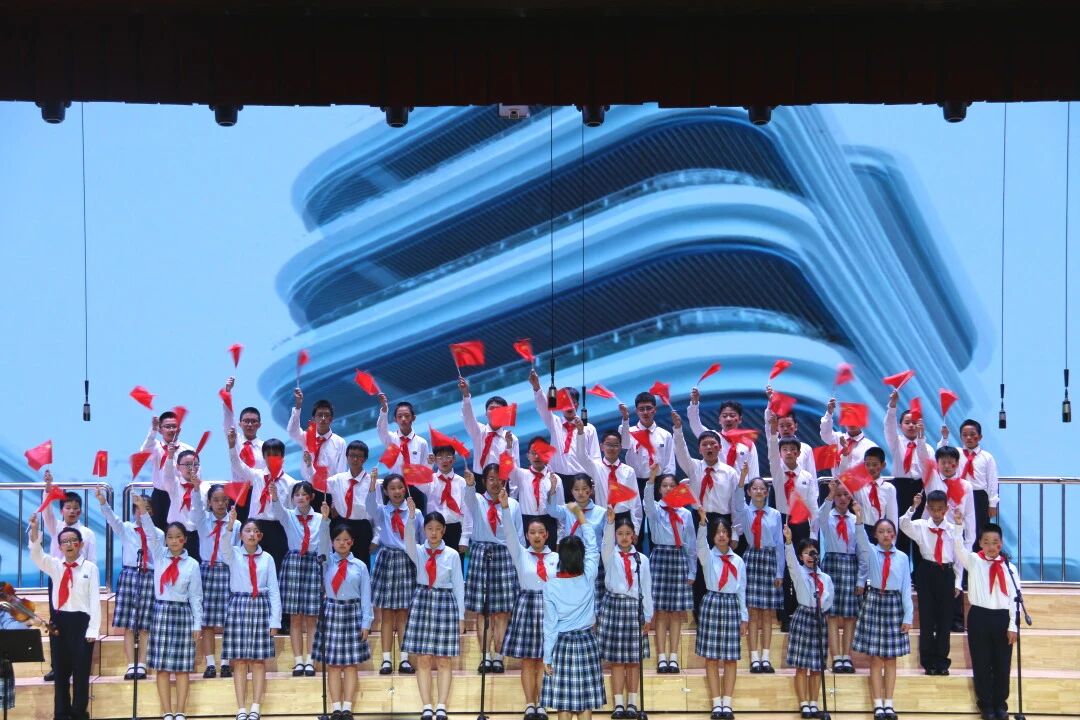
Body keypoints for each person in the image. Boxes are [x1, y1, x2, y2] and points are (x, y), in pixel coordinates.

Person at [29, 514, 101, 720]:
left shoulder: (90, 568)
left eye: (73, 541)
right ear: (59, 546)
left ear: (80, 545)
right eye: (64, 542)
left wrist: (93, 629)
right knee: (60, 672)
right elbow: (37, 555)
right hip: (59, 623)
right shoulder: (55, 566)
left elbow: (94, 600)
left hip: (81, 623)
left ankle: (79, 713)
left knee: (81, 672)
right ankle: (61, 713)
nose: (69, 545)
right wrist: (34, 530)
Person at [136, 502, 204, 720]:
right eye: (170, 537)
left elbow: (196, 596)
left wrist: (197, 623)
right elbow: (149, 531)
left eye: (178, 537)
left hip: (182, 614)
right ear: (165, 539)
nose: (174, 541)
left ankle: (181, 711)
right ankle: (167, 712)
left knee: (182, 668)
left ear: (185, 539)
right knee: (163, 668)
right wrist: (143, 510)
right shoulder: (159, 555)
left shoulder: (192, 564)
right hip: (162, 612)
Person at [401, 499, 466, 720]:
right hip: (422, 600)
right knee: (423, 658)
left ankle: (441, 706)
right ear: (425, 530)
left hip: (445, 603)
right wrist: (411, 516)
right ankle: (427, 705)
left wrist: (461, 616)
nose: (434, 533)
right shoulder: (418, 551)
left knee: (444, 659)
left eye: (438, 529)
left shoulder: (452, 554)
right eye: (430, 528)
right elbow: (408, 538)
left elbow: (458, 586)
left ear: (444, 530)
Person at [540, 502, 605, 720]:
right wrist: (580, 515)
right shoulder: (588, 576)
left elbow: (550, 626)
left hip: (562, 645)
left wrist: (547, 656)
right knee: (585, 702)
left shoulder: (550, 586)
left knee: (564, 704)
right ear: (581, 556)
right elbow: (593, 546)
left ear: (561, 557)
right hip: (587, 643)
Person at [500, 486, 560, 720]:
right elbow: (509, 534)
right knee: (528, 660)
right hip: (526, 607)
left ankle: (542, 703)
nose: (536, 536)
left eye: (541, 532)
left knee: (545, 658)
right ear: (526, 535)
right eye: (532, 532)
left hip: (549, 607)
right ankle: (529, 704)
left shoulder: (556, 558)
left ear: (547, 535)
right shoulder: (521, 554)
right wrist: (505, 508)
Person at [951, 514, 1019, 720]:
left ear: (1001, 543)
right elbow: (958, 549)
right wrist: (959, 526)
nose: (991, 546)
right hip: (979, 616)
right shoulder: (974, 561)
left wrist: (1013, 626)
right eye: (986, 542)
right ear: (980, 543)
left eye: (995, 542)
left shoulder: (1010, 568)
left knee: (1002, 663)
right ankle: (986, 704)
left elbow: (1015, 599)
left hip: (1002, 618)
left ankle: (1000, 704)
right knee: (981, 661)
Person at [219, 512, 282, 720]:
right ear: (241, 535)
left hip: (260, 606)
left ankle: (255, 706)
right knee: (239, 661)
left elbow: (274, 590)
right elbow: (224, 547)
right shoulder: (234, 554)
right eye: (247, 531)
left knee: (257, 661)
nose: (252, 534)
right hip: (239, 605)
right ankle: (241, 708)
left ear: (260, 536)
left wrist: (275, 620)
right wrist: (230, 525)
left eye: (255, 531)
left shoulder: (267, 558)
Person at [462, 464, 523, 673]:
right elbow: (468, 498)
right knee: (483, 611)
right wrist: (470, 485)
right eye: (491, 479)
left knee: (502, 612)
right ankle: (485, 656)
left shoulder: (513, 504)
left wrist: (520, 562)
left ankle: (498, 656)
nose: (495, 483)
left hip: (505, 555)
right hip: (481, 554)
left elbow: (519, 536)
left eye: (499, 479)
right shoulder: (477, 500)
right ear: (484, 481)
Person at [96, 487, 162, 680]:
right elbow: (112, 519)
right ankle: (131, 664)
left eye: (147, 508)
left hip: (149, 575)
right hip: (130, 575)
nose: (143, 512)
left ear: (152, 512)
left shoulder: (158, 533)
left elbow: (154, 545)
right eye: (139, 508)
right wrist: (103, 502)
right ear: (134, 512)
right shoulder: (126, 528)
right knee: (129, 625)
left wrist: (143, 511)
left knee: (145, 625)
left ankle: (142, 664)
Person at [313, 516, 374, 720]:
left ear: (352, 542)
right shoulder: (326, 561)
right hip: (332, 612)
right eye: (338, 539)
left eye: (346, 540)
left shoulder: (360, 566)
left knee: (350, 664)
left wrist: (366, 622)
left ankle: (347, 706)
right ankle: (336, 707)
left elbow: (366, 596)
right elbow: (322, 542)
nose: (342, 543)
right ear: (332, 542)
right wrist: (324, 520)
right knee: (333, 664)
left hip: (352, 613)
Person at [853, 514, 913, 720]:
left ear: (894, 534)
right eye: (881, 531)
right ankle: (878, 704)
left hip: (894, 605)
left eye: (889, 531)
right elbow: (861, 538)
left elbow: (906, 588)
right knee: (876, 658)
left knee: (890, 659)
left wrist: (908, 616)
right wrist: (859, 518)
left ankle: (889, 703)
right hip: (874, 602)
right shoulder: (871, 552)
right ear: (876, 535)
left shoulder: (902, 557)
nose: (886, 535)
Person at [40, 471, 97, 683]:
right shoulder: (56, 527)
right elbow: (46, 511)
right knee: (56, 623)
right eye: (68, 507)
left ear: (80, 510)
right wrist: (48, 487)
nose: (72, 511)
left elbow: (92, 560)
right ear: (62, 510)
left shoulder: (88, 534)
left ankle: (78, 667)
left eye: (76, 507)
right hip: (58, 580)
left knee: (79, 623)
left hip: (80, 581)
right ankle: (57, 667)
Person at [899, 490, 962, 676]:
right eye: (932, 509)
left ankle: (942, 661)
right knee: (926, 618)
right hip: (927, 571)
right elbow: (903, 524)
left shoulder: (953, 528)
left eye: (940, 509)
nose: (936, 513)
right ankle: (928, 663)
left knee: (945, 619)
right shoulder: (921, 525)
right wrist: (913, 507)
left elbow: (959, 556)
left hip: (946, 573)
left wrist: (958, 583)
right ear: (927, 508)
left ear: (946, 509)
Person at [366, 472, 423, 675]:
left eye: (400, 487)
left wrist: (412, 514)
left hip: (407, 561)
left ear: (405, 489)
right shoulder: (381, 511)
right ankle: (386, 659)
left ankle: (405, 659)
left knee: (404, 613)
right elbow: (369, 506)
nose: (397, 492)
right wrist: (372, 484)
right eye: (392, 488)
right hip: (387, 560)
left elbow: (421, 539)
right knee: (387, 613)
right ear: (386, 491)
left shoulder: (416, 512)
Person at [599, 508, 653, 720]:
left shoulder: (642, 559)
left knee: (633, 660)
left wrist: (648, 615)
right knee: (617, 660)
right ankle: (619, 704)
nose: (623, 537)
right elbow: (606, 542)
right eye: (620, 533)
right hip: (614, 607)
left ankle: (632, 702)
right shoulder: (610, 555)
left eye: (627, 533)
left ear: (634, 536)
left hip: (634, 609)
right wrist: (610, 523)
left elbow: (646, 587)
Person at [765, 420, 818, 632]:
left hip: (801, 522)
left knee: (800, 566)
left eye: (792, 449)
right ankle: (784, 612)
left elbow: (813, 504)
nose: (788, 452)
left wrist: (813, 531)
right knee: (783, 566)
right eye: (784, 449)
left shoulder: (806, 476)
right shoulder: (777, 472)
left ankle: (800, 608)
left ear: (798, 453)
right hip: (781, 519)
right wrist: (772, 433)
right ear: (780, 453)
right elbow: (771, 452)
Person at [641, 465, 695, 674]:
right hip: (660, 558)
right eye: (664, 485)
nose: (668, 488)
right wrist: (651, 479)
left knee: (676, 612)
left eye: (672, 485)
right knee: (661, 612)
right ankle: (661, 657)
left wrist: (692, 571)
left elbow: (691, 544)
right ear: (659, 489)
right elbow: (647, 501)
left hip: (678, 559)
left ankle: (674, 656)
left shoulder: (685, 513)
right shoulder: (655, 510)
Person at [271, 481, 328, 677]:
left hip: (313, 563)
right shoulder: (288, 515)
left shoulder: (320, 517)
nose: (301, 497)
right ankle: (298, 661)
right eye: (297, 494)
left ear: (311, 497)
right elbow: (277, 510)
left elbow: (325, 543)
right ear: (293, 498)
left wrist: (326, 519)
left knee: (312, 617)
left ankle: (310, 660)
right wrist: (274, 496)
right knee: (295, 617)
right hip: (294, 563)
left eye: (304, 494)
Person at [694, 510, 746, 720]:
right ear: (713, 536)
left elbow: (742, 590)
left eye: (725, 531)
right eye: (718, 532)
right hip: (713, 603)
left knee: (731, 658)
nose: (722, 535)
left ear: (730, 535)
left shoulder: (738, 561)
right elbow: (700, 545)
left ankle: (728, 703)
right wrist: (702, 524)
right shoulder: (708, 556)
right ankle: (716, 703)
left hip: (732, 605)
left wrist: (744, 617)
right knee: (712, 658)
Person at [226, 428, 297, 583]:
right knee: (251, 565)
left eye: (276, 454)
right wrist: (232, 446)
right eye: (268, 454)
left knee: (274, 569)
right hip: (255, 526)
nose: (272, 458)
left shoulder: (290, 482)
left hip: (278, 528)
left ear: (282, 456)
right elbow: (238, 465)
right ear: (263, 456)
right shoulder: (257, 475)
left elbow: (291, 512)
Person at [733, 476, 784, 674]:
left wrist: (779, 571)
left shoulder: (775, 514)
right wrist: (742, 478)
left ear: (767, 492)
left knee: (767, 613)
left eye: (762, 488)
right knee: (753, 611)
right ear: (749, 492)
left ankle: (766, 657)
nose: (759, 491)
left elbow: (779, 544)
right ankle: (754, 657)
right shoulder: (745, 511)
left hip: (770, 559)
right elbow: (737, 501)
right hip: (752, 558)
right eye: (754, 488)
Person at [783, 526, 833, 720]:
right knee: (802, 665)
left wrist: (822, 606)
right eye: (806, 553)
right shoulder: (799, 573)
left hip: (819, 618)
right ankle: (804, 703)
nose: (811, 556)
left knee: (817, 666)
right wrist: (788, 541)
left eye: (814, 552)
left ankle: (814, 702)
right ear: (801, 556)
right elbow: (790, 562)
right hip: (803, 616)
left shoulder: (825, 578)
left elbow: (829, 599)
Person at [190, 481, 239, 679]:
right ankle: (210, 664)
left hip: (227, 571)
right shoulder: (203, 521)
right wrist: (195, 489)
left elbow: (236, 551)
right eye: (216, 500)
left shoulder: (236, 524)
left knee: (228, 620)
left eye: (224, 500)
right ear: (209, 502)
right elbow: (196, 507)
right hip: (206, 572)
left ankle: (225, 663)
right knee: (207, 622)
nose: (220, 503)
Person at [817, 481, 865, 673]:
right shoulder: (827, 517)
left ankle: (847, 656)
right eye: (838, 495)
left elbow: (862, 550)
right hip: (832, 565)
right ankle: (836, 657)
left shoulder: (856, 519)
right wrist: (830, 494)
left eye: (846, 495)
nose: (843, 498)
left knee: (850, 615)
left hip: (851, 565)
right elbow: (819, 517)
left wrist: (861, 579)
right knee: (832, 615)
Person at [529, 369, 601, 496]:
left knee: (582, 509)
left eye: (572, 402)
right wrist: (536, 387)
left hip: (582, 480)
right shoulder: (554, 423)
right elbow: (543, 407)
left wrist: (596, 480)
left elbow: (595, 457)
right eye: (565, 402)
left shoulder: (589, 429)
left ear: (577, 405)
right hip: (558, 478)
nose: (569, 405)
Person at [883, 390, 934, 565]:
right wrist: (892, 406)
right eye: (907, 422)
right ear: (900, 425)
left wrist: (921, 438)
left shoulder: (927, 447)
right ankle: (901, 569)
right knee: (901, 530)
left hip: (920, 489)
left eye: (914, 422)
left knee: (919, 530)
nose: (911, 425)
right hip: (900, 487)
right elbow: (888, 426)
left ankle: (919, 573)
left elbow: (928, 467)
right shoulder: (896, 442)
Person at [547, 473, 609, 607]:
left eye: (584, 489)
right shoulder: (567, 509)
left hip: (593, 559)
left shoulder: (601, 512)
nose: (580, 493)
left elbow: (607, 539)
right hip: (571, 558)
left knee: (595, 598)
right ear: (571, 491)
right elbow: (551, 510)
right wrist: (552, 490)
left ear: (591, 490)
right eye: (576, 489)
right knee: (572, 597)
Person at [939, 419, 999, 541]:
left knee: (979, 528)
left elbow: (992, 481)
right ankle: (958, 551)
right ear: (960, 437)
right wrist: (944, 438)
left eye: (972, 434)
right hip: (959, 493)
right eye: (965, 435)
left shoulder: (987, 457)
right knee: (957, 525)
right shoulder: (956, 453)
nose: (969, 438)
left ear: (980, 436)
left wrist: (992, 504)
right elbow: (941, 453)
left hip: (979, 495)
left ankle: (977, 552)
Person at [139, 410, 194, 532]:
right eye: (167, 427)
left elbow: (195, 471)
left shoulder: (188, 450)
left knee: (181, 530)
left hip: (180, 494)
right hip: (161, 496)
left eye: (174, 426)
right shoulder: (155, 447)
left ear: (179, 429)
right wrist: (152, 430)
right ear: (160, 430)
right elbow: (143, 453)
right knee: (159, 532)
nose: (171, 430)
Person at [324, 441, 377, 565]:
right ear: (346, 457)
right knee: (338, 562)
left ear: (365, 459)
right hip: (341, 523)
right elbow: (317, 484)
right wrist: (309, 466)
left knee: (361, 564)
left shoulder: (372, 482)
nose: (355, 459)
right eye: (352, 455)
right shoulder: (337, 479)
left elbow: (377, 513)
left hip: (362, 527)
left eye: (359, 456)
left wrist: (376, 539)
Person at [508, 435, 564, 551]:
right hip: (526, 525)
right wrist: (509, 447)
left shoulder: (555, 479)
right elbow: (509, 467)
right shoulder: (521, 475)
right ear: (528, 455)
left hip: (549, 525)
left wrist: (560, 539)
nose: (537, 456)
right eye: (533, 453)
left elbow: (560, 511)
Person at [687, 391, 759, 480]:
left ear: (740, 419)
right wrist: (694, 404)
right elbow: (695, 424)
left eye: (732, 415)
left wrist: (753, 486)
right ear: (719, 420)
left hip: (742, 486)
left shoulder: (748, 443)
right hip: (718, 485)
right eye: (724, 416)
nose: (728, 419)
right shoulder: (712, 438)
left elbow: (754, 471)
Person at [618, 392, 676, 501]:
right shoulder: (629, 432)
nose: (645, 412)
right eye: (641, 409)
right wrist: (625, 418)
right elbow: (624, 445)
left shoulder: (665, 435)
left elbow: (670, 463)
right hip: (636, 482)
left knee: (661, 512)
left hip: (659, 482)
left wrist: (668, 485)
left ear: (655, 409)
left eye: (649, 408)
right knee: (637, 511)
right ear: (636, 411)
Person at [415, 445, 473, 552]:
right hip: (434, 530)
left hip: (455, 529)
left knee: (456, 562)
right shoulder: (430, 480)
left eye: (448, 456)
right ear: (435, 459)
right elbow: (417, 482)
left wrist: (465, 538)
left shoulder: (461, 482)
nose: (444, 460)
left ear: (454, 459)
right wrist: (428, 465)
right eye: (440, 457)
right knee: (434, 562)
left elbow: (467, 510)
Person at [459, 377, 520, 472]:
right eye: (491, 408)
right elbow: (468, 416)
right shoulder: (478, 431)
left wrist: (509, 446)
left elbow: (515, 468)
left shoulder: (512, 439)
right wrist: (466, 394)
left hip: (501, 479)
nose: (494, 411)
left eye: (498, 409)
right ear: (486, 413)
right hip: (479, 478)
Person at [288, 389, 347, 477]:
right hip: (307, 485)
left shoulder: (340, 442)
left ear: (331, 419)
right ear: (313, 418)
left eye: (326, 415)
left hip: (330, 485)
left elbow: (342, 472)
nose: (323, 418)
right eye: (319, 415)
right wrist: (298, 406)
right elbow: (292, 431)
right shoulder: (306, 437)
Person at [163, 447, 204, 561]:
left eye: (195, 464)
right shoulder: (174, 484)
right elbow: (168, 474)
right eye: (187, 464)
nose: (191, 468)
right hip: (175, 534)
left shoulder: (205, 487)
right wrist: (170, 456)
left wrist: (196, 488)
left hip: (196, 535)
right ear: (178, 467)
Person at [851, 447, 898, 542]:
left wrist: (892, 543)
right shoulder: (858, 485)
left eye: (875, 464)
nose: (871, 468)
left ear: (883, 465)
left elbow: (892, 517)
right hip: (861, 530)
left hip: (880, 532)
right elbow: (843, 475)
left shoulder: (889, 488)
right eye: (867, 464)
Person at [377, 393, 430, 474]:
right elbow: (381, 429)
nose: (403, 419)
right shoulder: (391, 439)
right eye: (399, 416)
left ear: (413, 418)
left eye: (407, 416)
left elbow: (425, 467)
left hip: (415, 481)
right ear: (395, 420)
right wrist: (384, 410)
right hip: (395, 481)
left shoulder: (422, 442)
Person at [821, 397, 878, 468]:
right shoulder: (838, 438)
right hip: (835, 475)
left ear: (862, 422)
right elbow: (825, 434)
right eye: (848, 418)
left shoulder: (870, 447)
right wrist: (829, 413)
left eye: (855, 419)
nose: (851, 423)